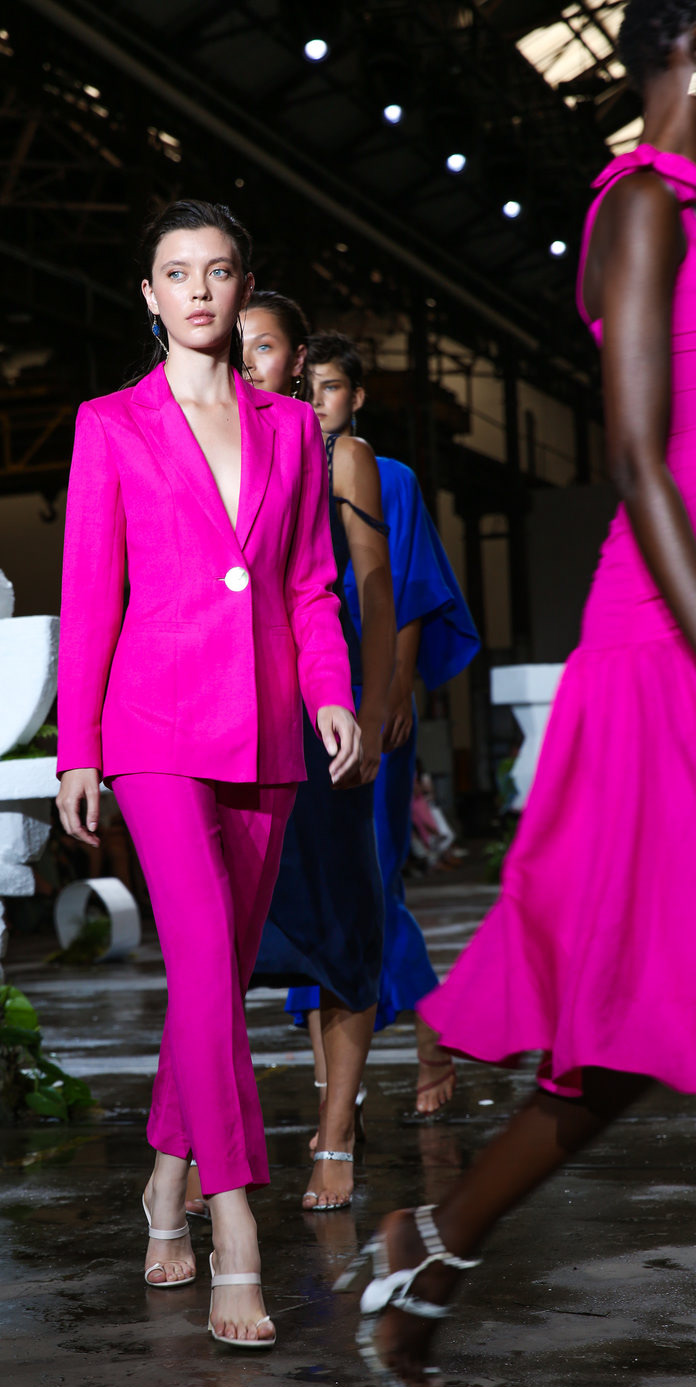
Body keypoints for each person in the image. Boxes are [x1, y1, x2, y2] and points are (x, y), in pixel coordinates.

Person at [354, 0, 696, 1387]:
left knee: (644, 1016)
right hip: (667, 636)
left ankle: (432, 1252)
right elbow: (637, 457)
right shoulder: (645, 203)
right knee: (630, 1006)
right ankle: (432, 1250)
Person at [55, 201, 361, 1347]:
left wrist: (329, 691)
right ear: (148, 294)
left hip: (267, 728)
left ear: (242, 287)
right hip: (151, 729)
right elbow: (91, 594)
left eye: (218, 271)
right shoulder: (110, 424)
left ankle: (164, 1176)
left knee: (213, 983)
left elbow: (308, 584)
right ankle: (234, 1228)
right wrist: (77, 748)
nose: (197, 290)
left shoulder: (290, 427)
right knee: (197, 962)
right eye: (176, 273)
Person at [292, 334, 481, 1118]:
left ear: (357, 396)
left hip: (370, 698)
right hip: (300, 699)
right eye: (307, 386)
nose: (317, 401)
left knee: (372, 875)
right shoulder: (283, 466)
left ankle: (432, 1023)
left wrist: (395, 692)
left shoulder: (386, 476)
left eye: (331, 387)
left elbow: (398, 591)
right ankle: (336, 1094)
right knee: (307, 883)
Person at [245, 291, 397, 1213]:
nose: (248, 359)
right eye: (240, 345)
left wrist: (374, 709)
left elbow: (372, 584)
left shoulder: (340, 453)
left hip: (322, 709)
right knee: (229, 940)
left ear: (297, 360)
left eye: (265, 345)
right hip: (233, 713)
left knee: (341, 923)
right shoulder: (211, 443)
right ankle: (206, 1141)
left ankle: (337, 1133)